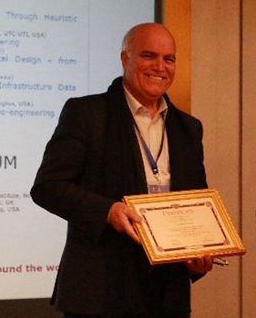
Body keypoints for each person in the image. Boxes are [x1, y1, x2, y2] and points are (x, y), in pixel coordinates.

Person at [32, 23, 212, 318]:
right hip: (100, 295)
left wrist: (197, 256)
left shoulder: (188, 128)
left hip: (167, 298)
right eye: (148, 56)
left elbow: (197, 203)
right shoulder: (87, 114)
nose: (160, 67)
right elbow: (48, 187)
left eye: (169, 59)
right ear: (125, 59)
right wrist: (108, 210)